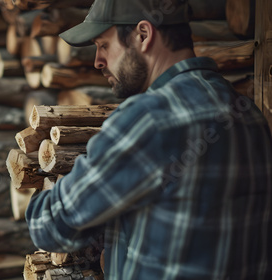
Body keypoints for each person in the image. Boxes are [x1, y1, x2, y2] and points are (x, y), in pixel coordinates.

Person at [24, 0, 272, 279]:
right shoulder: (250, 116)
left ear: (143, 35)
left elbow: (49, 225)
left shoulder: (149, 119)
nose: (98, 61)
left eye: (103, 45)